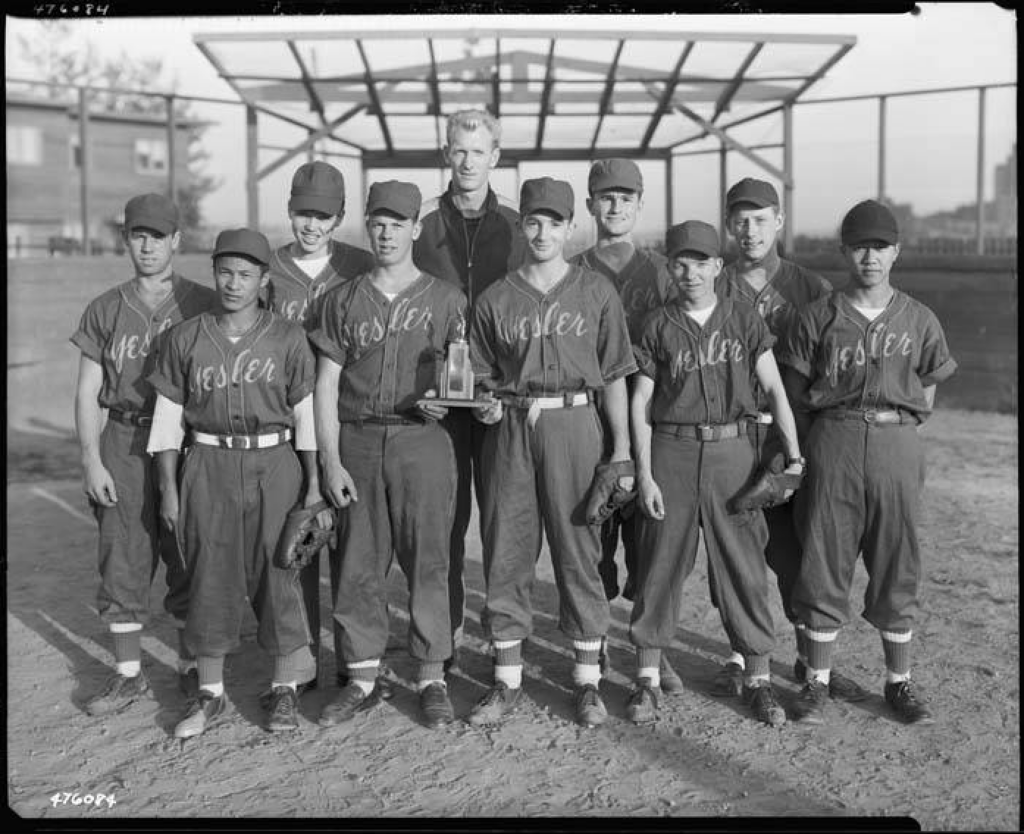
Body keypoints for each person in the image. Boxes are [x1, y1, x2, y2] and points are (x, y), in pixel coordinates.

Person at [466, 177, 636, 729]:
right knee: (507, 547)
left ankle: (587, 682)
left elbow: (613, 377)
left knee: (579, 549)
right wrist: (484, 405)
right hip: (513, 425)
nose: (542, 232)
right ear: (523, 227)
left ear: (570, 227)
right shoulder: (496, 297)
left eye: (553, 223)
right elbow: (480, 376)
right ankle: (506, 679)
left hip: (574, 421)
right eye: (532, 222)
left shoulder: (595, 292)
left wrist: (621, 451)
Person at [779, 200, 956, 725]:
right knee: (823, 557)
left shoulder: (919, 316)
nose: (870, 256)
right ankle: (815, 682)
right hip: (833, 435)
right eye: (860, 246)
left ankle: (898, 682)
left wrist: (904, 425)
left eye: (880, 246)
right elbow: (794, 392)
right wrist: (818, 445)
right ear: (845, 251)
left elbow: (928, 381)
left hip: (895, 442)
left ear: (896, 251)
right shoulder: (818, 316)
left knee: (897, 558)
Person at [627, 220, 804, 728]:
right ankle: (646, 677)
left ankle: (758, 680)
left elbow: (773, 390)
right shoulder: (656, 324)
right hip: (672, 451)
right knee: (660, 565)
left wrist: (793, 456)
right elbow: (641, 403)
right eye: (680, 262)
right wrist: (645, 474)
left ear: (717, 267)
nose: (690, 272)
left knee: (744, 567)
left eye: (701, 262)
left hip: (732, 451)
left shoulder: (743, 318)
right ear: (670, 267)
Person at [147, 228, 322, 738]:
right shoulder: (185, 337)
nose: (233, 283)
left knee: (279, 574)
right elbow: (166, 423)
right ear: (214, 273)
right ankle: (210, 692)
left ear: (264, 279)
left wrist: (312, 487)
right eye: (225, 271)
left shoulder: (288, 337)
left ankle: (285, 689)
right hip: (206, 460)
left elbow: (305, 417)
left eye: (246, 274)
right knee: (209, 573)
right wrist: (169, 489)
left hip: (275, 462)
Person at [312, 181, 467, 730]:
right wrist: (329, 462)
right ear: (366, 226)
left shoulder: (447, 298)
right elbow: (324, 387)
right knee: (357, 561)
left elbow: (464, 375)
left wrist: (456, 400)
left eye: (397, 222)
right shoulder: (342, 299)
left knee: (428, 558)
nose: (385, 231)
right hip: (357, 437)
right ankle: (360, 677)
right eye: (377, 221)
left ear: (415, 229)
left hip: (422, 439)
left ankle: (431, 675)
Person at [709, 177, 867, 703]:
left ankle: (807, 659)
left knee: (797, 551)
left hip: (791, 433)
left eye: (760, 219)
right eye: (739, 219)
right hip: (731, 431)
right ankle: (739, 654)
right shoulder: (713, 283)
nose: (749, 230)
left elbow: (834, 370)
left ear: (779, 221)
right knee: (734, 549)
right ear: (728, 224)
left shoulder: (811, 289)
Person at [72, 193, 217, 717]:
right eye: (139, 234)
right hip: (125, 438)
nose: (148, 244)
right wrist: (91, 459)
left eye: (158, 235)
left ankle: (189, 664)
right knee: (123, 552)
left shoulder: (202, 302)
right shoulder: (106, 307)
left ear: (177, 240)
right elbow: (88, 390)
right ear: (126, 239)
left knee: (188, 549)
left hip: (186, 441)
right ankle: (128, 673)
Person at [414, 109, 523, 674]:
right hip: (438, 397)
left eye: (478, 152)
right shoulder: (422, 225)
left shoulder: (519, 228)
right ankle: (445, 636)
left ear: (495, 157)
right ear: (446, 153)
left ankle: (505, 645)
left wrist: (507, 386)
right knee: (443, 523)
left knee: (502, 522)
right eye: (458, 150)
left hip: (498, 397)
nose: (466, 162)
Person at [571, 157, 682, 695]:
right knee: (591, 537)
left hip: (653, 421)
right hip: (588, 418)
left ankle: (651, 648)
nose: (614, 207)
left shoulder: (663, 271)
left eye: (625, 198)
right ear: (590, 203)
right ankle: (600, 637)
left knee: (653, 543)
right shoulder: (572, 270)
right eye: (605, 197)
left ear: (640, 204)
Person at [266, 160, 375, 694]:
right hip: (285, 423)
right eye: (303, 213)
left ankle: (353, 661)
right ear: (289, 210)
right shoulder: (267, 267)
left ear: (339, 218)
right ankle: (301, 657)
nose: (311, 225)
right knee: (294, 541)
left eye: (323, 216)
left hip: (345, 415)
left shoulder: (358, 266)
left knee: (351, 546)